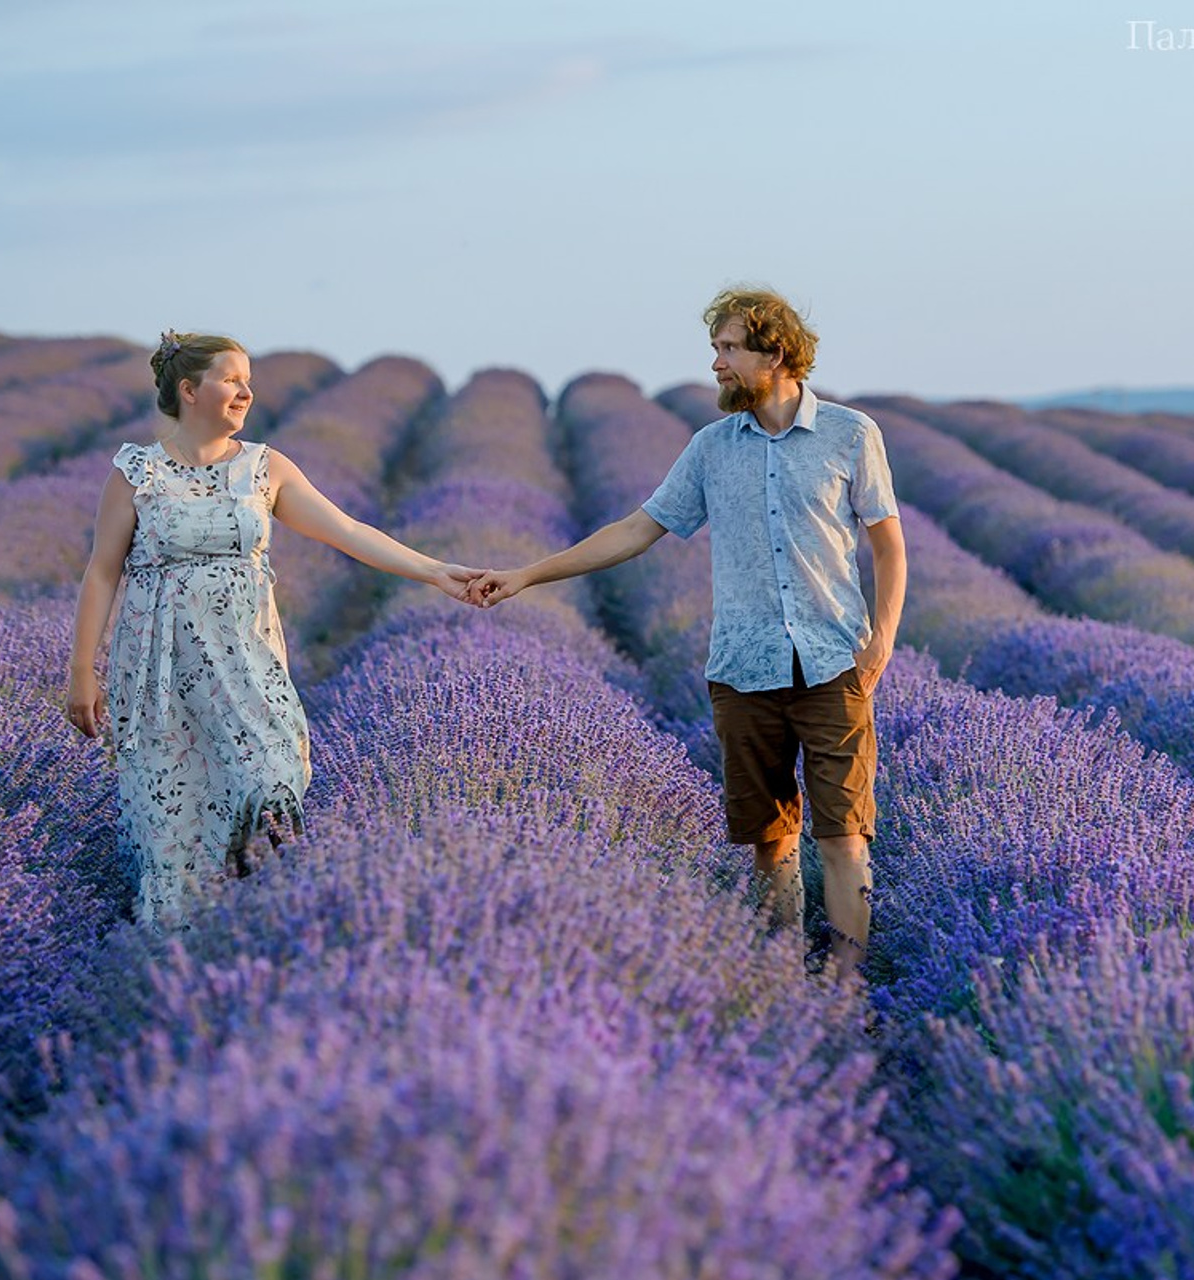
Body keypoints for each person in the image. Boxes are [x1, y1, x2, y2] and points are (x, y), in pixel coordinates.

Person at [470, 288, 906, 979]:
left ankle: (848, 984)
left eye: (729, 349)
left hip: (832, 662)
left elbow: (888, 543)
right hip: (743, 667)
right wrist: (529, 574)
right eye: (716, 350)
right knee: (769, 839)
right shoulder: (711, 449)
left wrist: (881, 639)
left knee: (846, 834)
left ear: (777, 353)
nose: (716, 365)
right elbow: (637, 530)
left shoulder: (851, 436)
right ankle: (782, 976)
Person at [67, 330, 481, 927]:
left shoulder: (265, 468)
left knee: (271, 781)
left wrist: (436, 571)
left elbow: (349, 531)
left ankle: (259, 919)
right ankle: (179, 954)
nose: (246, 391)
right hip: (162, 676)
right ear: (189, 390)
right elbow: (101, 573)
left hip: (247, 667)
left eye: (248, 380)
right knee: (174, 817)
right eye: (231, 379)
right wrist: (83, 670)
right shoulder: (138, 473)